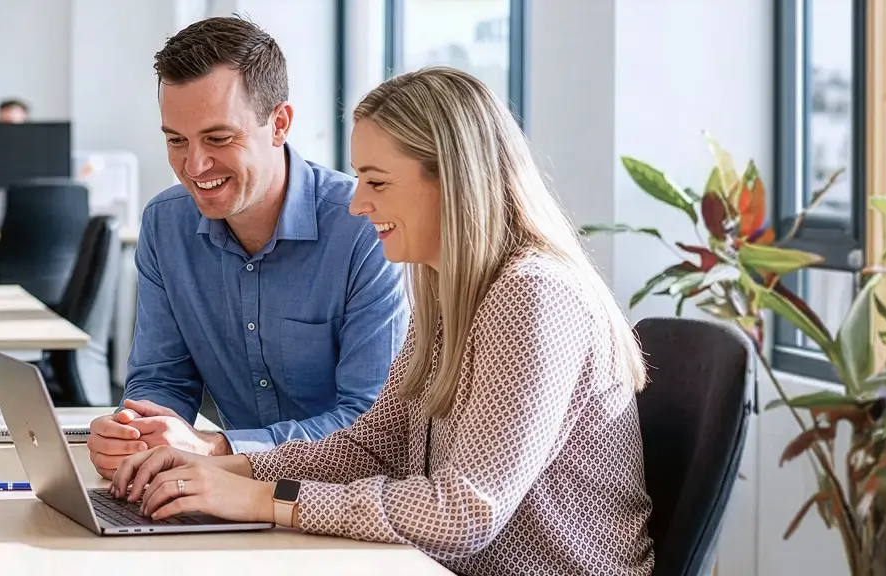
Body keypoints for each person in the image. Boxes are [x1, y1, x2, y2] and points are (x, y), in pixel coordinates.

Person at [109, 66, 656, 576]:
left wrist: (260, 500)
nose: (357, 205)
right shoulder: (451, 288)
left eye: (377, 182)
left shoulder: (533, 294)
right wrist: (216, 470)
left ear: (453, 180)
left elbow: (464, 513)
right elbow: (371, 448)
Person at [86, 16, 409, 479]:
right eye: (176, 140)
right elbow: (162, 379)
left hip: (342, 499)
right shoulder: (165, 224)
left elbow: (370, 427)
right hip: (232, 498)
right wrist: (133, 431)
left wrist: (217, 447)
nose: (194, 165)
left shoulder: (363, 226)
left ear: (279, 124)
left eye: (218, 138)